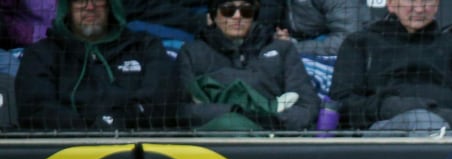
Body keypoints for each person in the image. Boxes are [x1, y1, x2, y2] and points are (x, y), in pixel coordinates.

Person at [327, 0, 452, 133]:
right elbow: (342, 102)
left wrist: (448, 117)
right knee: (419, 120)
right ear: (391, 4)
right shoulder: (360, 43)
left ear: (437, 5)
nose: (419, 9)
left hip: (450, 131)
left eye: (427, 1)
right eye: (411, 1)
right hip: (383, 131)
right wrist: (392, 107)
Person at [14, 0, 179, 130]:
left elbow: (161, 100)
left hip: (137, 149)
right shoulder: (41, 54)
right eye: (79, 1)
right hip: (66, 154)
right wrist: (89, 130)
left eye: (98, 0)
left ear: (111, 5)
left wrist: (116, 121)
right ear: (67, 7)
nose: (89, 7)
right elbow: (36, 110)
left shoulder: (145, 46)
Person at [176, 0, 320, 131]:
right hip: (215, 141)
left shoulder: (282, 49)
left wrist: (270, 122)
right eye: (228, 10)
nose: (237, 16)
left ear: (253, 16)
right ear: (214, 15)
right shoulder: (192, 52)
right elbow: (182, 110)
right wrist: (236, 113)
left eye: (246, 11)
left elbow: (307, 105)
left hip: (273, 140)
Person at [268, 0, 365, 57]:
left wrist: (294, 47)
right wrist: (281, 38)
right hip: (299, 49)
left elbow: (346, 42)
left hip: (340, 58)